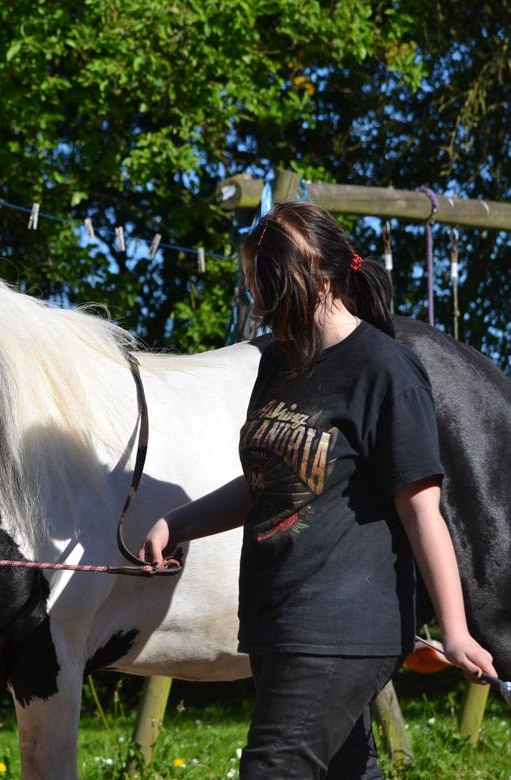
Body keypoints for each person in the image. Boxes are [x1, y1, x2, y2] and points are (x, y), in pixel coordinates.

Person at [138, 201, 498, 779]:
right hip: (277, 619)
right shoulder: (279, 364)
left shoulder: (384, 370)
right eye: (254, 288)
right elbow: (271, 483)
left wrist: (455, 631)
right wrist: (178, 522)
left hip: (343, 625)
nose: (258, 306)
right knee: (347, 771)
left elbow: (423, 511)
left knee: (273, 768)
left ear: (323, 281)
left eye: (271, 290)